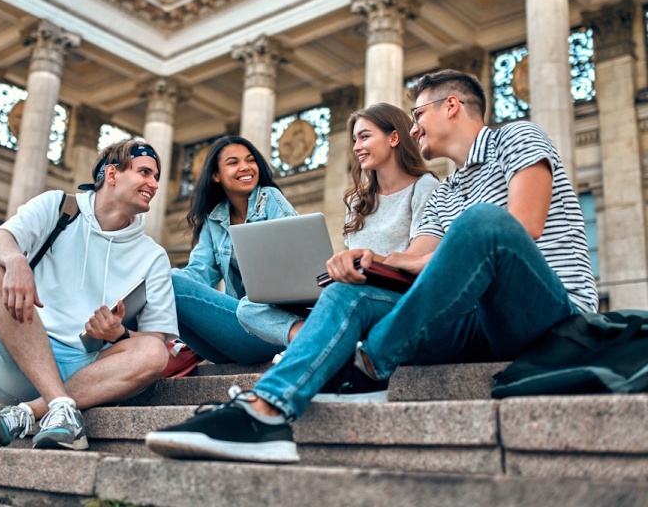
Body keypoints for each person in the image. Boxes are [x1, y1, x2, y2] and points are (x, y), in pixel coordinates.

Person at [145, 69, 598, 463]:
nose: (415, 129)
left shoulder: (516, 138)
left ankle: (366, 367)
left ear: (452, 106)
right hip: (481, 324)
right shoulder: (445, 192)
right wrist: (371, 261)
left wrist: (417, 260)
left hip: (550, 312)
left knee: (483, 223)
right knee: (349, 292)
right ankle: (265, 412)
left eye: (418, 115)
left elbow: (521, 229)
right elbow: (415, 259)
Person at [0, 139, 178, 451]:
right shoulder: (57, 208)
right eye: (145, 173)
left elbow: (156, 339)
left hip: (84, 367)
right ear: (111, 174)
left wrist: (118, 333)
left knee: (153, 352)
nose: (153, 184)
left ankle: (31, 412)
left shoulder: (154, 256)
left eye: (156, 177)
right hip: (14, 358)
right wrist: (16, 262)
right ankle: (59, 408)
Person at [243, 103, 439, 400]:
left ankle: (317, 342)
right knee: (248, 305)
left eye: (364, 137)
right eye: (354, 140)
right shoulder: (358, 202)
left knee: (345, 300)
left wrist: (367, 263)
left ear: (394, 138)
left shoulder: (424, 187)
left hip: (391, 298)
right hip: (349, 291)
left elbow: (416, 260)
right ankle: (315, 336)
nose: (357, 147)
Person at [172, 135, 299, 364]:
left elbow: (296, 262)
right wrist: (152, 278)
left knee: (168, 281)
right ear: (216, 175)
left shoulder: (270, 198)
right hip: (242, 332)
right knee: (164, 285)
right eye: (233, 162)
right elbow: (198, 275)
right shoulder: (214, 219)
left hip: (274, 324)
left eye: (250, 160)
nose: (245, 167)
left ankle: (304, 334)